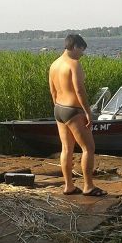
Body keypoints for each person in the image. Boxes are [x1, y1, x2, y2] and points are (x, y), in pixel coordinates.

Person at [48, 33, 107, 197]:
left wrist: (58, 108)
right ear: (74, 47)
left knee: (66, 148)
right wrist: (88, 112)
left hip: (59, 109)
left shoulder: (54, 64)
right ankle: (88, 186)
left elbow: (52, 91)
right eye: (81, 50)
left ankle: (69, 186)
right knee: (88, 148)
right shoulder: (74, 64)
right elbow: (79, 90)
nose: (82, 54)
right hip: (73, 110)